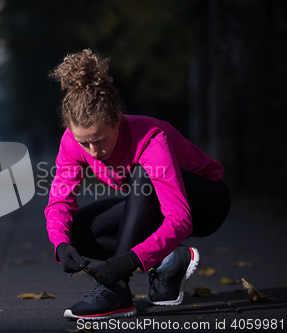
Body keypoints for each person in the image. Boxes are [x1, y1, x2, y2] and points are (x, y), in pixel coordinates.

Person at [44, 49, 231, 320]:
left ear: (117, 120)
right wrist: (61, 245)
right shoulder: (72, 143)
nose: (93, 152)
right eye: (85, 142)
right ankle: (169, 261)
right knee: (77, 231)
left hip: (207, 203)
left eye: (100, 140)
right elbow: (59, 202)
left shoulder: (151, 139)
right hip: (152, 199)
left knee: (142, 175)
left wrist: (127, 261)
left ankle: (115, 290)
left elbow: (180, 220)